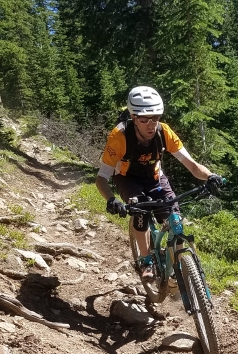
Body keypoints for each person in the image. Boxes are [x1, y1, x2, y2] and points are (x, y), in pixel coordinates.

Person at [95, 86, 223, 280]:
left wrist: (211, 176)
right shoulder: (119, 137)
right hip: (127, 178)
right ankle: (146, 261)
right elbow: (101, 178)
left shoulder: (164, 133)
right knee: (140, 212)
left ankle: (178, 267)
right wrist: (111, 199)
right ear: (133, 117)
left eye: (155, 118)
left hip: (155, 177)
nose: (151, 124)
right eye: (144, 119)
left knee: (175, 220)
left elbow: (193, 166)